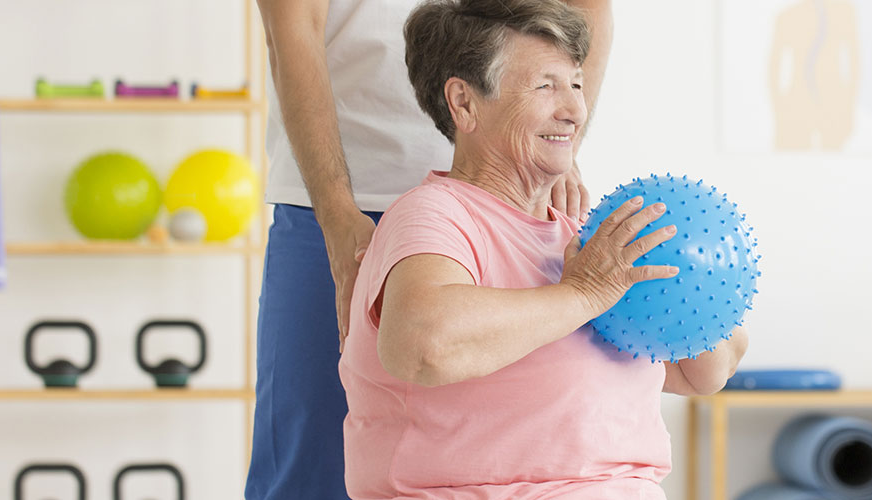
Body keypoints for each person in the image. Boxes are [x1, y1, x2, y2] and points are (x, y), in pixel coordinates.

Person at [339, 0, 748, 497]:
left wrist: (695, 287)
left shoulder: (588, 238)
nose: (575, 110)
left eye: (576, 84)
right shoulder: (435, 216)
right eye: (545, 86)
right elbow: (424, 345)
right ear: (464, 104)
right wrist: (585, 293)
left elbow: (701, 372)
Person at [247, 0, 609, 497]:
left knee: (517, 443)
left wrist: (551, 138)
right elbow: (291, 29)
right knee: (311, 462)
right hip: (346, 203)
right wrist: (334, 215)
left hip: (506, 190)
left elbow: (588, 8)